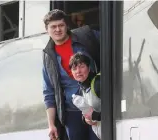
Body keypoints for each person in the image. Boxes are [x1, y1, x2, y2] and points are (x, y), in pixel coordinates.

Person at [42, 9, 100, 140]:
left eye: (61, 25)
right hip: (71, 112)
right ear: (47, 30)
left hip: (96, 105)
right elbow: (48, 93)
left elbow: (113, 41)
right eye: (53, 27)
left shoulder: (86, 36)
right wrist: (51, 125)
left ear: (66, 26)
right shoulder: (48, 56)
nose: (58, 29)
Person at [69, 52, 101, 139]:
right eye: (74, 68)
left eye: (82, 67)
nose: (78, 71)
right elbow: (87, 111)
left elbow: (115, 110)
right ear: (71, 72)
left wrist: (94, 116)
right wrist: (86, 119)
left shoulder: (98, 83)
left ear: (89, 68)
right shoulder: (81, 89)